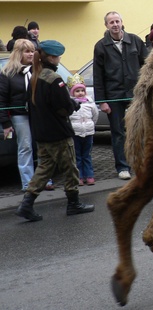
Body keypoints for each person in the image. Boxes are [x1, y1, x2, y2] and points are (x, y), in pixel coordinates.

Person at [16, 40, 95, 221]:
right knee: (70, 169)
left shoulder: (35, 76)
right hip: (58, 132)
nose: (59, 59)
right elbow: (62, 107)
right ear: (51, 57)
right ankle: (73, 203)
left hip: (41, 132)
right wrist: (73, 105)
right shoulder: (54, 79)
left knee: (44, 168)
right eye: (58, 56)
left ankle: (26, 204)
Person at [93, 11, 148, 180]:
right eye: (111, 22)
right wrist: (102, 101)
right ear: (106, 26)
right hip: (113, 96)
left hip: (134, 94)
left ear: (122, 22)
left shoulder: (135, 41)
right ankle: (122, 167)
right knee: (118, 133)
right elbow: (98, 75)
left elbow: (147, 65)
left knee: (138, 131)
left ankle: (140, 164)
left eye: (117, 21)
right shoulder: (101, 46)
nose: (115, 25)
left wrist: (146, 90)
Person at [0, 39, 36, 191]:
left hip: (38, 115)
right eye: (27, 51)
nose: (31, 54)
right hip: (19, 115)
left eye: (32, 51)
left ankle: (44, 179)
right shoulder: (8, 73)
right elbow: (1, 100)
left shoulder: (37, 70)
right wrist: (6, 123)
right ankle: (28, 182)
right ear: (18, 53)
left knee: (42, 147)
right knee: (25, 147)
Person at [67, 74, 98, 185]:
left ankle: (89, 175)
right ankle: (79, 176)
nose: (80, 93)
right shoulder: (70, 104)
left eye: (82, 90)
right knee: (77, 156)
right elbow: (68, 117)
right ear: (72, 93)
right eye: (77, 91)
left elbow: (95, 115)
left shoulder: (90, 103)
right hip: (76, 133)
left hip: (88, 132)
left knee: (87, 155)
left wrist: (91, 125)